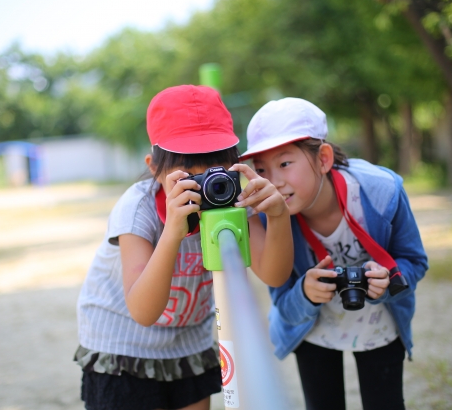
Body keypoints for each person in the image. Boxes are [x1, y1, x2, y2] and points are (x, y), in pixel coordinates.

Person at [74, 85, 293, 410]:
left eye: (216, 171)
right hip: (123, 346)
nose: (206, 186)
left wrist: (278, 216)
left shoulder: (234, 200)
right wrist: (173, 232)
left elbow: (274, 275)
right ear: (153, 167)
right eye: (188, 175)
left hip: (186, 344)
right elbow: (143, 312)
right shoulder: (138, 209)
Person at [239, 98, 428, 410]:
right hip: (312, 332)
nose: (273, 182)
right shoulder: (267, 216)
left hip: (380, 325)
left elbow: (415, 262)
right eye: (260, 169)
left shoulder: (382, 192)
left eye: (285, 163)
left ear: (323, 159)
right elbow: (284, 306)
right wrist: (305, 292)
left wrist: (389, 279)